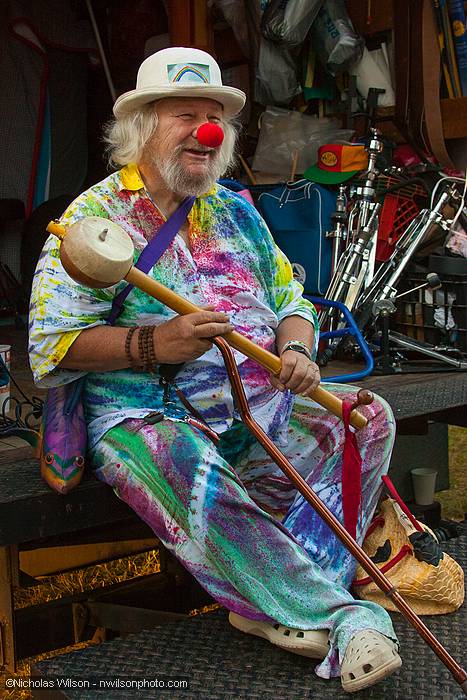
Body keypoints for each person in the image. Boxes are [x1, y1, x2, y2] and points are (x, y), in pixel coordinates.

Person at [29, 46, 401, 693]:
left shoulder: (236, 209)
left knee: (364, 419)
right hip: (148, 416)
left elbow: (291, 301)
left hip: (256, 408)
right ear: (143, 126)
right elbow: (52, 345)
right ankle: (342, 617)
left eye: (214, 117)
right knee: (178, 458)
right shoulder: (94, 219)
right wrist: (154, 346)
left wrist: (296, 350)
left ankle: (277, 598)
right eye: (185, 115)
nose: (205, 130)